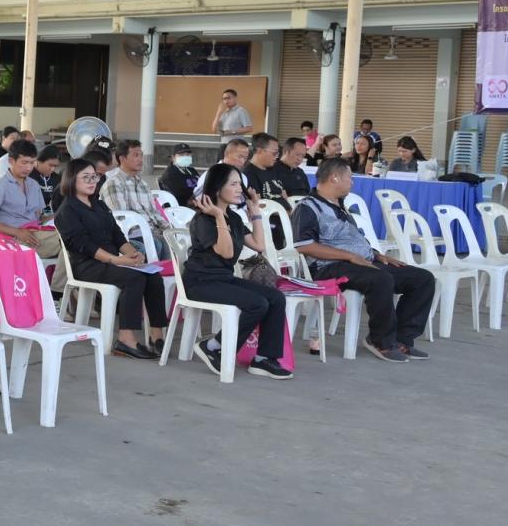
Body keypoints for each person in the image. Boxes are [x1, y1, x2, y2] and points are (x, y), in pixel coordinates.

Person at [293, 159, 435, 363]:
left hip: (360, 263)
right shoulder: (308, 207)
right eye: (350, 177)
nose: (352, 182)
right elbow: (305, 246)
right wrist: (350, 256)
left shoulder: (340, 205)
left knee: (422, 278)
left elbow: (352, 239)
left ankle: (402, 339)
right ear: (335, 178)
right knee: (381, 279)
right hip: (327, 267)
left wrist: (376, 254)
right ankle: (380, 341)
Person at [184, 163, 292, 379]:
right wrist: (218, 216)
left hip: (223, 279)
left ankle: (263, 359)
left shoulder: (232, 217)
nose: (239, 189)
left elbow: (259, 245)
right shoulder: (203, 219)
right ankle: (214, 346)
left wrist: (255, 212)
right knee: (257, 304)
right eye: (233, 184)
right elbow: (226, 253)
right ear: (218, 189)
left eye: (240, 184)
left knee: (276, 298)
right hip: (200, 282)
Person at [54, 157, 168, 359]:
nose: (92, 181)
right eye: (86, 177)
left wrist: (132, 253)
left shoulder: (98, 204)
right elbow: (85, 246)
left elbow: (117, 235)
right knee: (134, 278)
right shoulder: (67, 210)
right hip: (87, 265)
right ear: (71, 179)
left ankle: (156, 333)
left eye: (94, 177)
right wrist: (117, 260)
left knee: (153, 276)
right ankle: (126, 339)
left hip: (110, 261)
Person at [0, 140, 66, 291]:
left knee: (75, 239)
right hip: (13, 238)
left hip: (35, 235)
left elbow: (40, 217)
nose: (28, 167)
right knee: (71, 239)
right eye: (24, 163)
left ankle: (60, 291)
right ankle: (58, 292)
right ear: (11, 161)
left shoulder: (34, 185)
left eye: (31, 163)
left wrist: (57, 216)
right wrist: (17, 232)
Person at [246, 133, 290, 207]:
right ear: (259, 151)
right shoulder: (249, 173)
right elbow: (259, 205)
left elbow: (284, 195)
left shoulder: (274, 169)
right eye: (274, 153)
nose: (277, 156)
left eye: (278, 153)